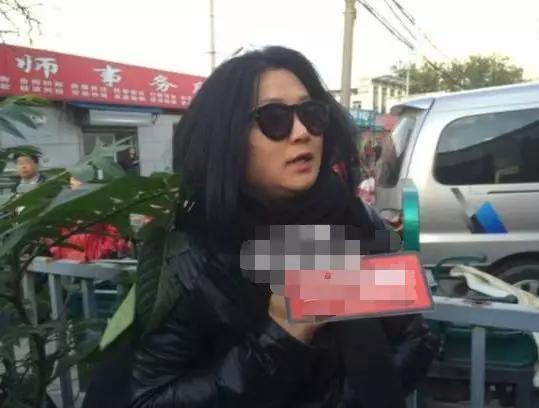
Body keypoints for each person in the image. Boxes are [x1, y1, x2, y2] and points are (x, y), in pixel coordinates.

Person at [123, 46, 438, 408]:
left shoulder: (353, 220)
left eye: (311, 114)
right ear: (226, 138)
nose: (302, 133)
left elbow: (415, 338)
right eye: (274, 118)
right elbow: (148, 400)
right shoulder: (192, 253)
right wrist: (280, 336)